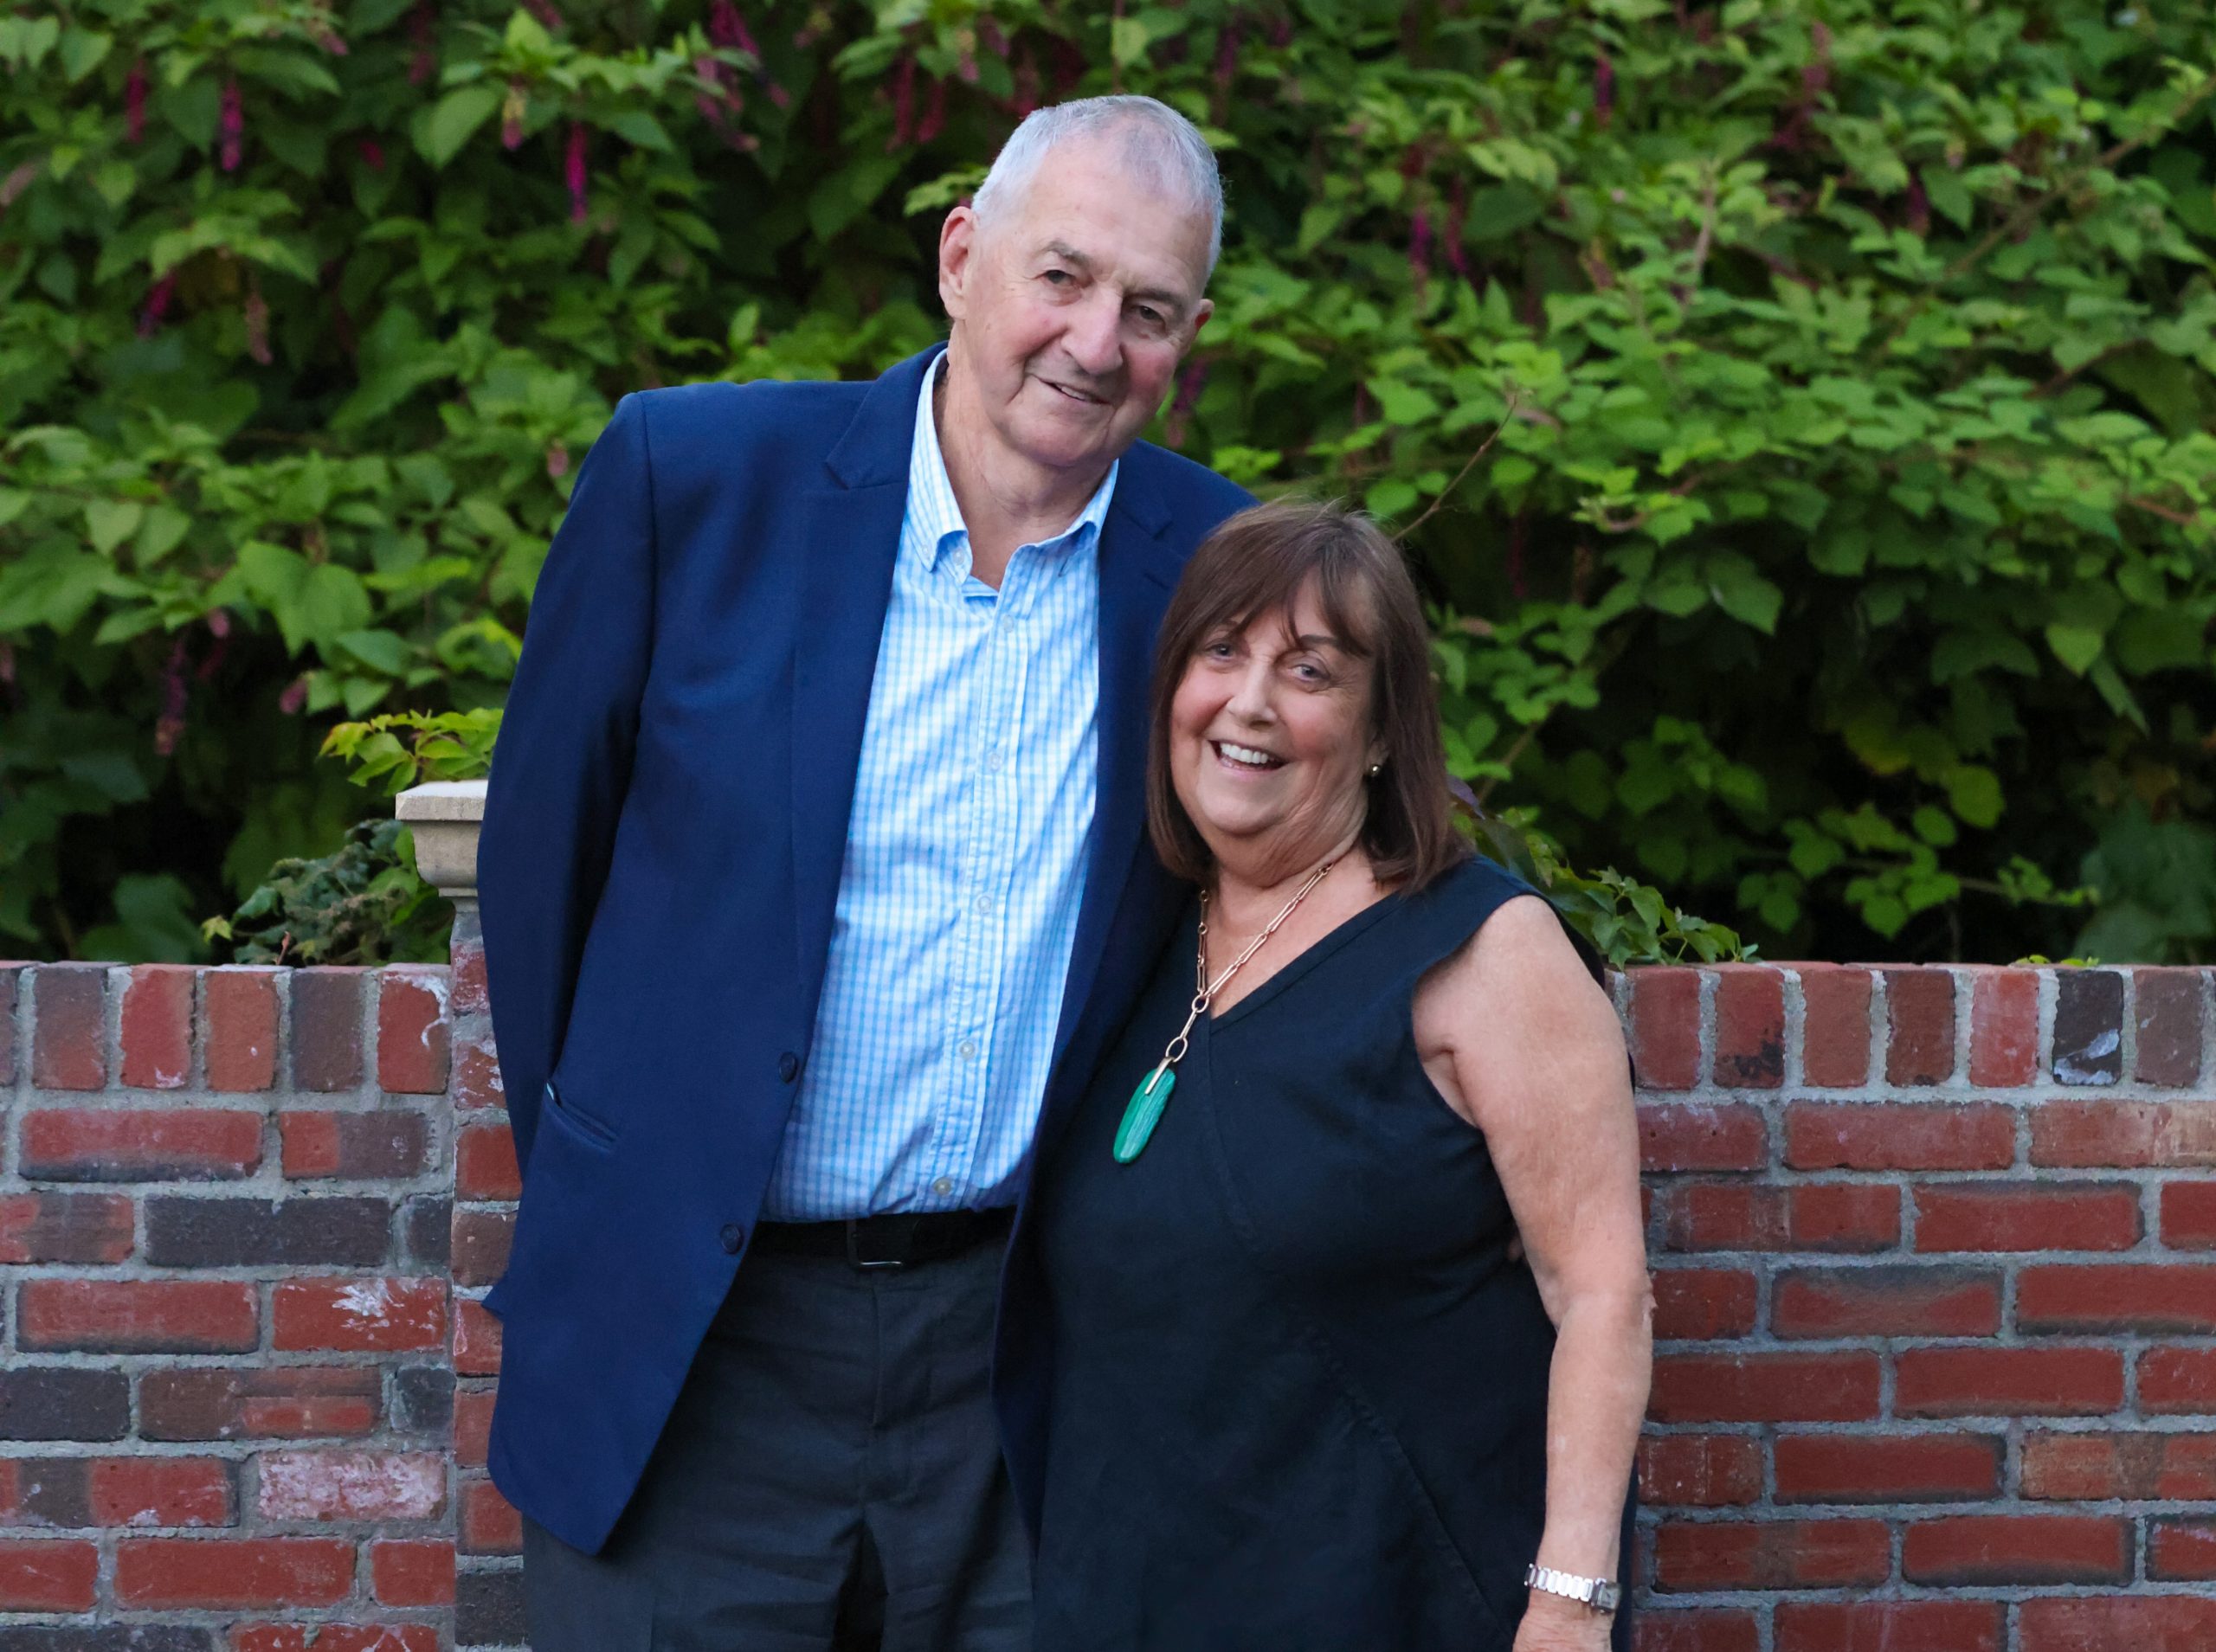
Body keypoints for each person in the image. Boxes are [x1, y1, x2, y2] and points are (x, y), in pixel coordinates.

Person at [475, 95, 1247, 1650]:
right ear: (963, 258)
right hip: (693, 1348)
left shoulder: (1216, 572)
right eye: (1062, 277)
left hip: (1026, 1361)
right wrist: (633, 1167)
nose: (1095, 343)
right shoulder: (686, 483)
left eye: (1147, 310)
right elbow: (539, 870)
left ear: (1188, 337)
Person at [997, 500, 1652, 1652]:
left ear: (1382, 726)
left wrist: (1570, 1601)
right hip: (1123, 1605)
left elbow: (1600, 1294)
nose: (1250, 702)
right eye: (1221, 652)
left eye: (1309, 670)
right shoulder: (1131, 945)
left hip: (1391, 1604)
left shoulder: (1483, 954)